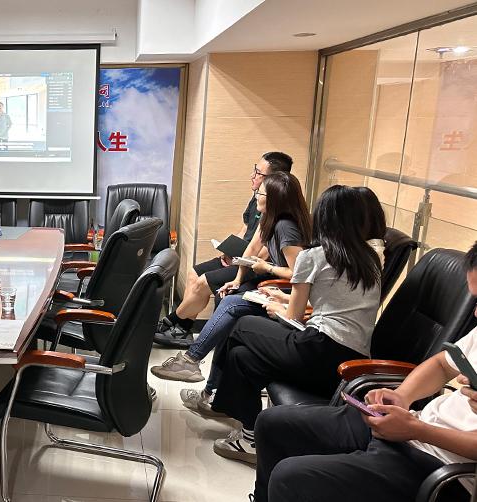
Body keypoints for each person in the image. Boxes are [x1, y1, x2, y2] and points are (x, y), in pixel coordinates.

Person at [253, 241, 477, 502]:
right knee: (273, 424)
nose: (475, 311)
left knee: (290, 478)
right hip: (414, 429)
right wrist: (403, 396)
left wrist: (415, 430)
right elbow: (441, 364)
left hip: (440, 467)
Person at [208, 185, 383, 465]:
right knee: (242, 357)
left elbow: (291, 316)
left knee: (241, 326)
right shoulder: (369, 258)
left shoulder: (313, 256)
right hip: (351, 362)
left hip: (318, 349)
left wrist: (276, 305)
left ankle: (217, 398)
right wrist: (283, 297)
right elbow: (335, 305)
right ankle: (251, 435)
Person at [151, 171, 311, 392]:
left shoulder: (286, 227)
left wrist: (267, 267)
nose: (256, 195)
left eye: (261, 192)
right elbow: (252, 249)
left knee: (231, 305)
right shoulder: (269, 218)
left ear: (273, 198)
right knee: (225, 297)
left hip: (286, 294)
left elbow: (299, 274)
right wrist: (237, 279)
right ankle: (210, 388)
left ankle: (191, 362)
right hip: (270, 284)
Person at [155, 152, 294, 348]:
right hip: (241, 259)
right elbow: (247, 232)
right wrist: (229, 249)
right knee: (194, 273)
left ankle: (170, 322)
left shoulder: (281, 216)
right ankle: (183, 329)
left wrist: (239, 264)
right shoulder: (258, 201)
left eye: (258, 173)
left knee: (203, 282)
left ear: (274, 181)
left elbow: (265, 254)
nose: (252, 176)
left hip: (256, 268)